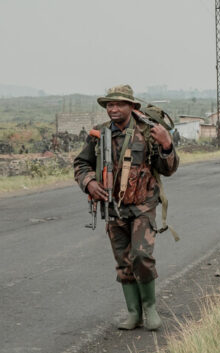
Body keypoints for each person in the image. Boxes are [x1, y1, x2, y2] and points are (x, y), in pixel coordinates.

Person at [74, 84, 178, 330]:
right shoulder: (99, 134)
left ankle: (150, 309)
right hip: (113, 207)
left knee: (141, 256)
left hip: (142, 204)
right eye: (110, 104)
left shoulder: (148, 131)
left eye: (119, 104)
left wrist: (166, 146)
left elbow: (169, 169)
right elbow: (81, 163)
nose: (114, 108)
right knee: (123, 261)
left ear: (132, 107)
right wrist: (89, 183)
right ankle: (134, 313)